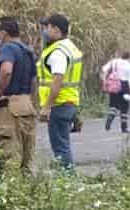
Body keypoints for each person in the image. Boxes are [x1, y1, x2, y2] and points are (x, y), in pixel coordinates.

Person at [36, 13, 82, 171]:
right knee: (64, 144)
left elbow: (57, 80)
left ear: (55, 29)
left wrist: (47, 107)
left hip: (59, 104)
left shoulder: (57, 52)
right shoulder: (69, 46)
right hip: (69, 102)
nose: (44, 30)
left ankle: (67, 182)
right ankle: (68, 181)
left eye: (46, 27)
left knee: (60, 147)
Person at [0, 18, 36, 174]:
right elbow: (34, 80)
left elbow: (6, 70)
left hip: (9, 104)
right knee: (25, 152)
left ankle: (9, 192)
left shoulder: (8, 48)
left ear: (3, 33)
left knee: (6, 153)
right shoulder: (28, 51)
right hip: (26, 104)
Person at [100, 50, 130, 133]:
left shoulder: (114, 61)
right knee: (124, 107)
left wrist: (104, 80)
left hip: (114, 84)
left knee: (113, 104)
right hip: (125, 86)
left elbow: (103, 69)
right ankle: (124, 127)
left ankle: (110, 117)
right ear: (129, 58)